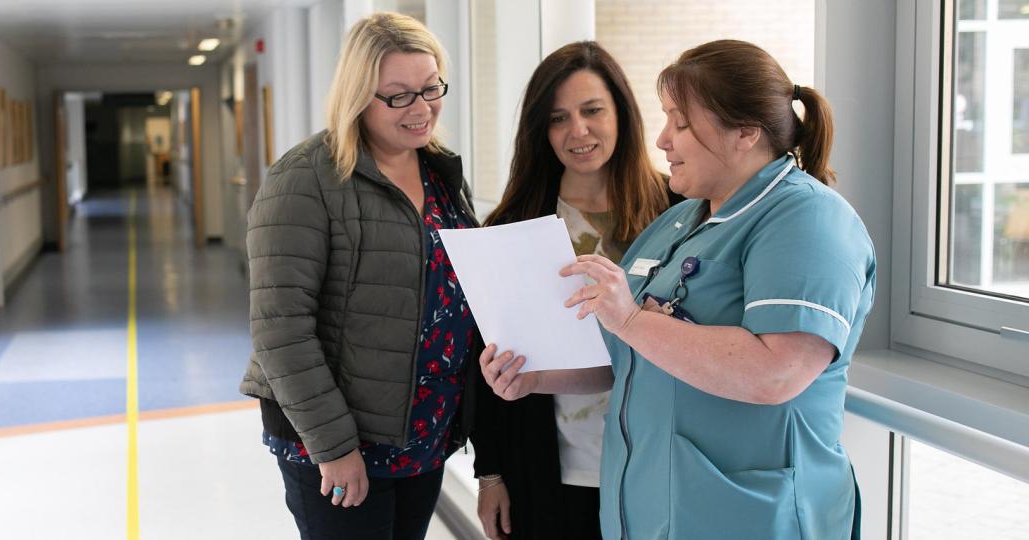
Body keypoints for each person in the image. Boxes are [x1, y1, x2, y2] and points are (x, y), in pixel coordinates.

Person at [479, 39, 875, 539]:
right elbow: (629, 355)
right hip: (655, 510)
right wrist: (537, 378)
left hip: (751, 515)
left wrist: (630, 318)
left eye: (680, 123)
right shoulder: (680, 221)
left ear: (745, 133)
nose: (663, 140)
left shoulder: (809, 219)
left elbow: (778, 371)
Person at [239, 12, 478, 540]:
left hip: (422, 430)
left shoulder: (439, 172)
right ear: (357, 95)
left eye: (431, 87)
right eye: (398, 96)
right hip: (336, 442)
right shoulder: (306, 177)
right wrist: (335, 448)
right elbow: (281, 328)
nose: (421, 109)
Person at [469, 42, 672, 540]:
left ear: (621, 113)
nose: (578, 131)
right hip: (552, 469)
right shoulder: (516, 224)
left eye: (592, 110)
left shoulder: (678, 208)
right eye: (559, 118)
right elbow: (489, 357)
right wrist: (490, 473)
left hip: (662, 463)